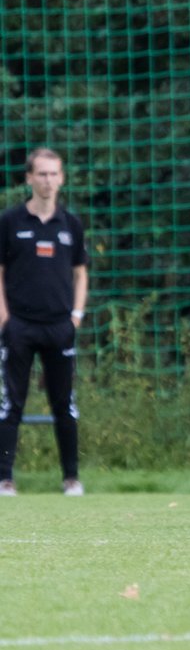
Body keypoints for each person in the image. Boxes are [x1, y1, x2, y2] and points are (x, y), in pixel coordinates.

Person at [0, 148, 89, 497]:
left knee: (64, 405)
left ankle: (71, 479)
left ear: (62, 178)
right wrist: (5, 318)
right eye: (42, 174)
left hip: (59, 327)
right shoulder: (10, 221)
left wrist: (76, 317)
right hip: (19, 325)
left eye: (54, 174)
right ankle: (5, 479)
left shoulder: (71, 224)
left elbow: (80, 273)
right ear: (29, 178)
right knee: (11, 404)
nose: (48, 180)